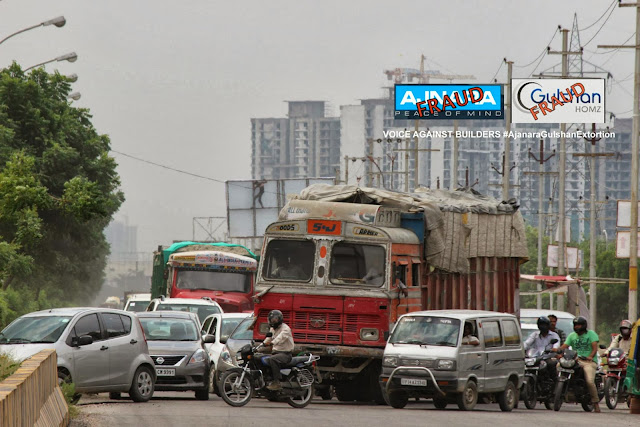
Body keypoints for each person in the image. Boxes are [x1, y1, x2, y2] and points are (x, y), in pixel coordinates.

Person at [551, 316, 601, 412]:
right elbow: (564, 346)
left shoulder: (591, 334)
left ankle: (595, 402)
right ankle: (558, 390)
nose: (577, 327)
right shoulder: (572, 335)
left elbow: (594, 348)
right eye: (575, 325)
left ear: (584, 325)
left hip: (588, 362)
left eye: (579, 325)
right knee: (558, 366)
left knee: (590, 381)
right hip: (575, 360)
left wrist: (590, 356)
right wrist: (558, 351)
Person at [263, 309, 294, 391]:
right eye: (272, 319)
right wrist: (260, 346)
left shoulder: (285, 329)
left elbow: (280, 338)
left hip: (285, 354)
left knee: (273, 359)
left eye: (275, 319)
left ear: (279, 319)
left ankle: (277, 382)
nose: (273, 321)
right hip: (275, 353)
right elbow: (268, 338)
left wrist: (272, 343)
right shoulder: (272, 329)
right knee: (259, 358)